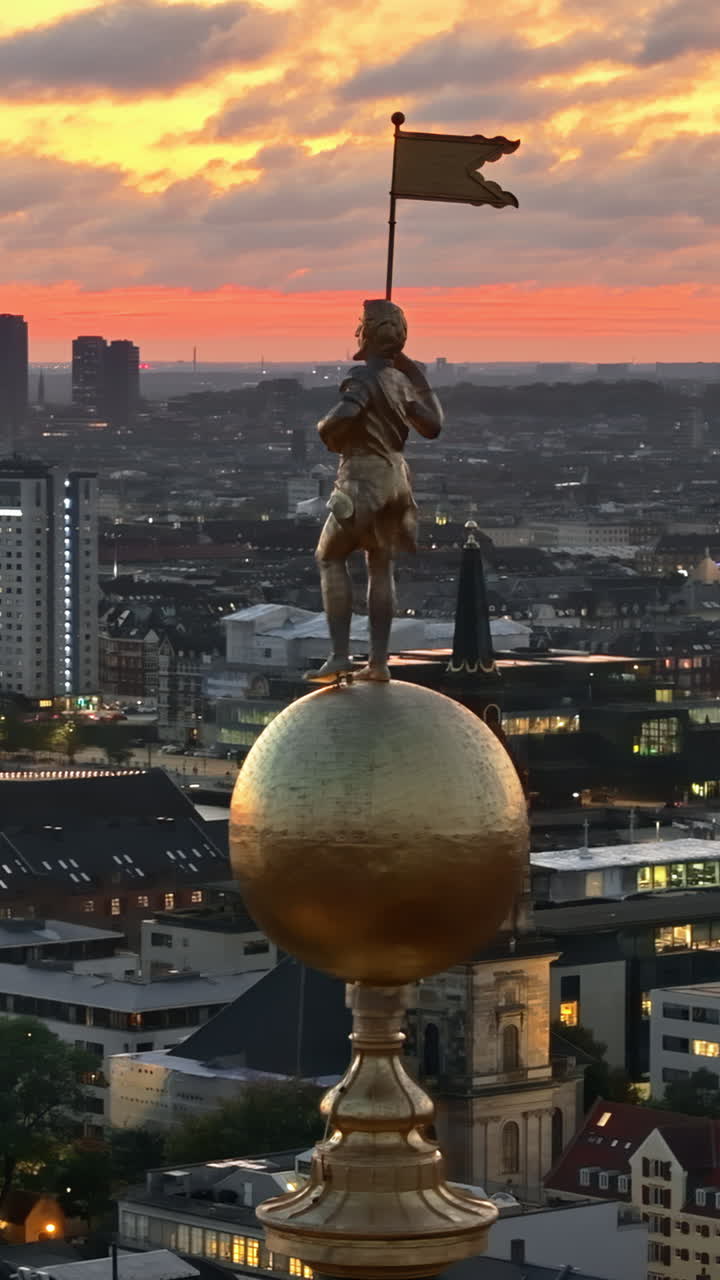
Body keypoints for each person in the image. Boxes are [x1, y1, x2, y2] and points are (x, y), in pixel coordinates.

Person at [306, 299, 443, 683]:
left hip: (362, 479)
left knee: (330, 557)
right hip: (398, 480)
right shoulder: (401, 383)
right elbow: (433, 426)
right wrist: (416, 374)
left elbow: (346, 415)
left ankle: (338, 655)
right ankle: (378, 663)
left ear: (366, 334)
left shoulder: (362, 377)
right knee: (380, 566)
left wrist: (324, 430)